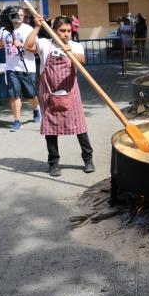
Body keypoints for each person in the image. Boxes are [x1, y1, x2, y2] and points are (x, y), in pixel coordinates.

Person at [25, 15, 95, 177]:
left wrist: (70, 52)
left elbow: (82, 60)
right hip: (49, 93)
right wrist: (37, 27)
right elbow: (28, 46)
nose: (66, 34)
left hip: (70, 92)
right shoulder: (45, 44)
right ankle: (54, 163)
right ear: (54, 31)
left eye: (69, 31)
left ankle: (88, 159)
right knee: (51, 129)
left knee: (80, 127)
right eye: (62, 31)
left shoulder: (75, 45)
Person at [0, 6, 41, 132]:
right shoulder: (3, 30)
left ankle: (36, 110)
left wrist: (23, 46)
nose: (20, 17)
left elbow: (36, 49)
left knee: (31, 95)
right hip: (11, 67)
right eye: (17, 14)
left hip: (27, 67)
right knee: (14, 95)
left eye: (22, 15)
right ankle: (17, 120)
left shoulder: (28, 29)